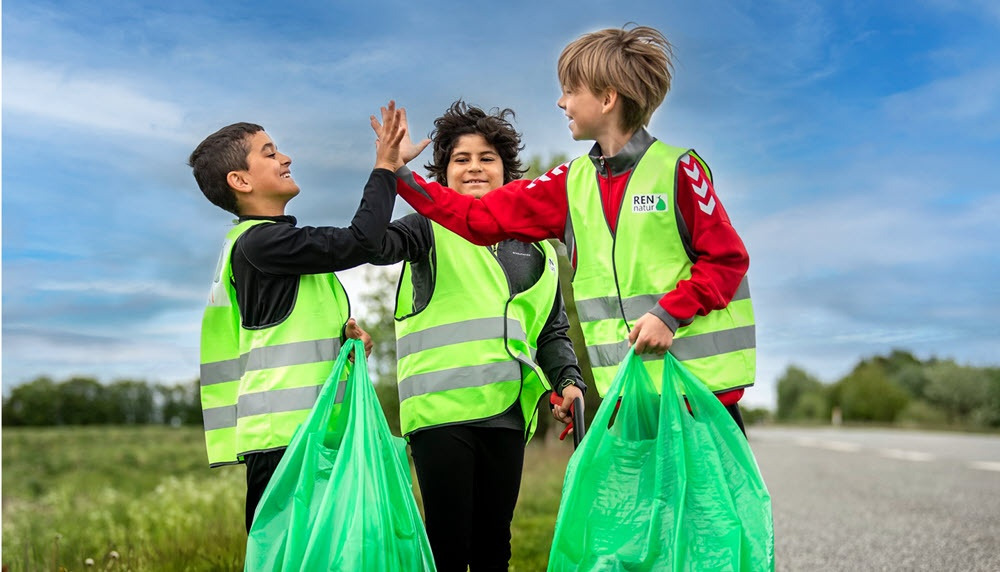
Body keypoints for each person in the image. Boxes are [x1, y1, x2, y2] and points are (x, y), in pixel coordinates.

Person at [384, 26, 755, 432]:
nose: (561, 102)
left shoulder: (679, 170)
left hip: (700, 399)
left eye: (570, 90)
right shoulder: (568, 182)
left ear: (607, 98)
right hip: (627, 401)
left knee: (711, 501)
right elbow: (479, 219)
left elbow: (727, 261)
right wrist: (400, 173)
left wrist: (669, 314)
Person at [369, 101, 586, 571]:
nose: (474, 168)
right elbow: (370, 243)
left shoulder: (541, 250)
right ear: (443, 172)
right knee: (448, 545)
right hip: (440, 416)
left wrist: (568, 381)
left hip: (507, 414)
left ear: (507, 170)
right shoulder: (425, 228)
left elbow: (552, 330)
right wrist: (392, 171)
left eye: (486, 158)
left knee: (494, 544)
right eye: (460, 159)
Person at [189, 102, 407, 532]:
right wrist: (384, 169)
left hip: (301, 436)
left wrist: (346, 344)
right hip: (287, 439)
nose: (285, 158)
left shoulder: (267, 247)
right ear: (241, 180)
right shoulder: (262, 244)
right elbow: (359, 242)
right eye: (269, 153)